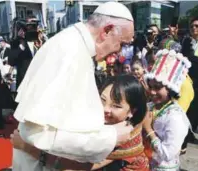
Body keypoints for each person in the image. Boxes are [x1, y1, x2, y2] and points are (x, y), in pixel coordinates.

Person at [12, 2, 135, 171]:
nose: (120, 52)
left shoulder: (75, 45)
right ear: (107, 31)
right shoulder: (69, 51)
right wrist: (111, 137)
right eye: (122, 43)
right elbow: (37, 134)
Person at [11, 75, 150, 170]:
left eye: (116, 106)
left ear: (132, 111)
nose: (105, 109)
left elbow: (76, 168)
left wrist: (27, 147)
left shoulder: (124, 136)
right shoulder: (107, 123)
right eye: (102, 100)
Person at [143, 49, 191, 171]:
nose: (152, 92)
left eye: (158, 87)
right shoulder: (151, 106)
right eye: (151, 86)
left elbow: (167, 154)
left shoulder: (175, 117)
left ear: (170, 89)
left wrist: (148, 129)